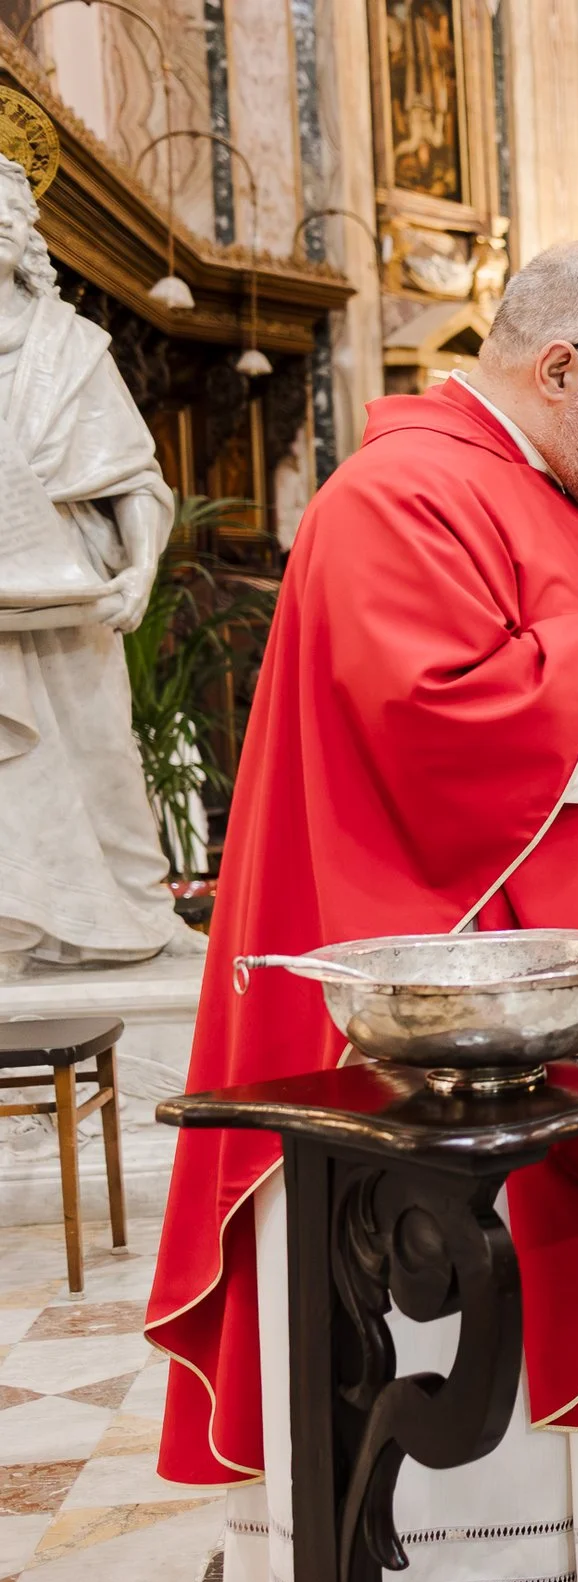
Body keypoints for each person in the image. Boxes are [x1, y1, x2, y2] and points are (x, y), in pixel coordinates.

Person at [143, 242, 578, 1582]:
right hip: (450, 1012)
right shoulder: (398, 495)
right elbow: (435, 733)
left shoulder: (569, 496)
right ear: (563, 365)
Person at [0, 155, 195, 973]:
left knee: (103, 754)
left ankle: (135, 915)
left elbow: (138, 483)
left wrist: (139, 569)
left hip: (74, 592)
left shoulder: (72, 345)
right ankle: (20, 928)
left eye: (6, 211)